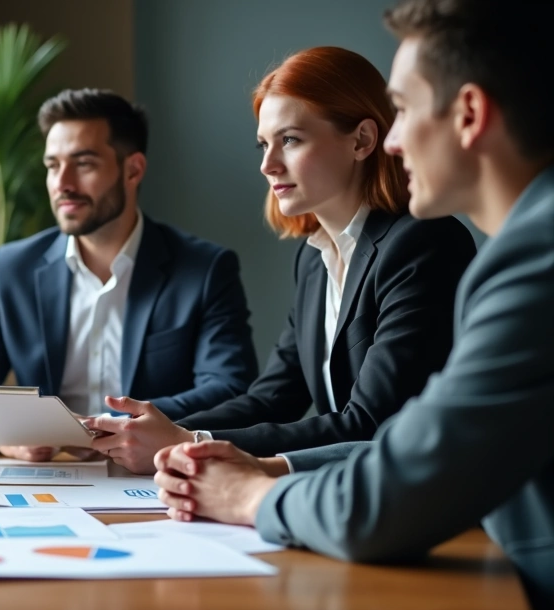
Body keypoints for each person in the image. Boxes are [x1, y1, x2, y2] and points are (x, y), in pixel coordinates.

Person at [150, 0, 554, 610]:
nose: (394, 138)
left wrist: (252, 492)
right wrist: (233, 457)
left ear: (470, 114)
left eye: (405, 110)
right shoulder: (516, 249)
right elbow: (405, 445)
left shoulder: (527, 261)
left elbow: (398, 475)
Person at [86, 47, 476, 474]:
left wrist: (191, 442)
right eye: (263, 145)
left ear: (362, 140)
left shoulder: (422, 244)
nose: (268, 165)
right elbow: (273, 398)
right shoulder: (313, 261)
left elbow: (371, 423)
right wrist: (145, 430)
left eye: (290, 140)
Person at [0, 88, 260, 461]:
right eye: (52, 165)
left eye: (83, 164)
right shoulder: (11, 270)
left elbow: (230, 388)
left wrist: (108, 425)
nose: (62, 183)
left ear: (133, 169)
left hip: (153, 472)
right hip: (47, 477)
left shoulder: (204, 269)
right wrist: (2, 440)